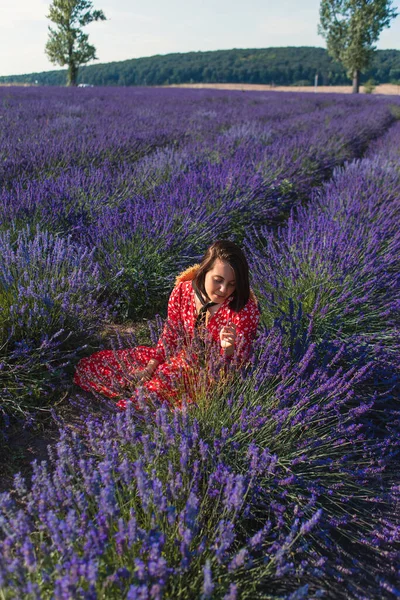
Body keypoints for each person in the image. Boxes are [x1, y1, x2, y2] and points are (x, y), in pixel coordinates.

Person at [73, 240, 260, 410]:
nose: (223, 290)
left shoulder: (243, 309)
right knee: (98, 367)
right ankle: (147, 387)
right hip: (177, 359)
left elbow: (238, 367)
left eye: (231, 284)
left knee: (151, 396)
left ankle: (146, 398)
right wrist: (150, 367)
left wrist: (229, 350)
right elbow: (170, 334)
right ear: (204, 271)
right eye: (218, 280)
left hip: (210, 374)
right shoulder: (183, 291)